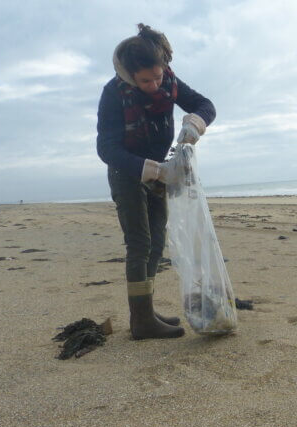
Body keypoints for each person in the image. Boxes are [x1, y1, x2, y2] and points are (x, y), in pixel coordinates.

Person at [96, 24, 215, 340]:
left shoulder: (170, 83)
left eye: (158, 77)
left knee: (157, 242)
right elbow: (106, 149)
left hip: (159, 176)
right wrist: (153, 170)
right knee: (139, 242)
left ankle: (145, 309)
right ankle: (141, 321)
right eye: (145, 80)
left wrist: (194, 124)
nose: (154, 84)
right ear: (129, 75)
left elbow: (206, 105)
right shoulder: (114, 93)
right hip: (127, 172)